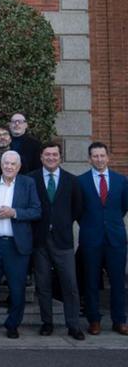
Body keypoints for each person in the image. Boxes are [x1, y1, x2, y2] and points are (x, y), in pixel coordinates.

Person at [0, 151, 41, 339]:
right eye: (6, 163)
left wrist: (14, 212)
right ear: (1, 165)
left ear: (19, 167)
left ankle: (13, 325)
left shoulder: (27, 184)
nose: (9, 167)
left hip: (16, 246)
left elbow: (36, 211)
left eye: (13, 164)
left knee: (17, 289)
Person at [29, 142, 85, 340]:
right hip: (40, 240)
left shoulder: (72, 181)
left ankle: (73, 325)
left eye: (54, 155)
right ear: (41, 157)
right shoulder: (31, 179)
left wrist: (60, 223)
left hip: (63, 241)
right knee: (43, 285)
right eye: (47, 155)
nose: (51, 158)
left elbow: (77, 208)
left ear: (60, 157)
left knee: (70, 284)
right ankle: (47, 322)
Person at [78, 142, 128, 336]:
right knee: (91, 281)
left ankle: (120, 320)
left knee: (118, 282)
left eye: (102, 156)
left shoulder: (121, 181)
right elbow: (78, 210)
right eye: (95, 156)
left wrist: (109, 223)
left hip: (115, 239)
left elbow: (123, 207)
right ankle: (94, 320)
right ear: (89, 159)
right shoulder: (80, 182)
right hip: (91, 238)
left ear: (108, 157)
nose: (99, 159)